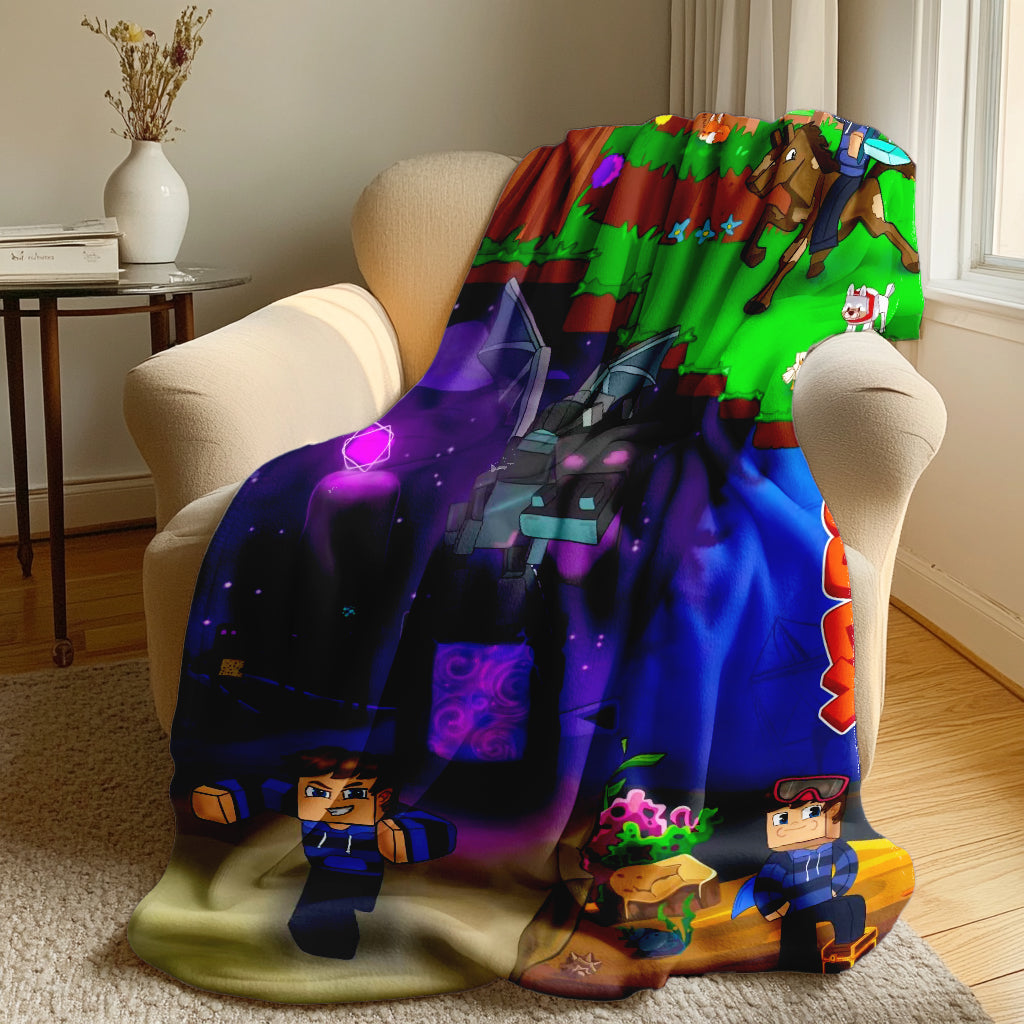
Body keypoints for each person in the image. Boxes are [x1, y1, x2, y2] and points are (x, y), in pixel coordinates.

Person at [191, 746, 456, 959]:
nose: (333, 802)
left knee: (328, 916)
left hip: (358, 875)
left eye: (353, 793)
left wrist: (406, 837)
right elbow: (263, 788)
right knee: (305, 915)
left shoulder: (383, 815)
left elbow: (439, 829)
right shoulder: (302, 801)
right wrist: (226, 797)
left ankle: (335, 953)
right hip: (318, 870)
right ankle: (321, 949)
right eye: (318, 791)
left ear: (382, 798)